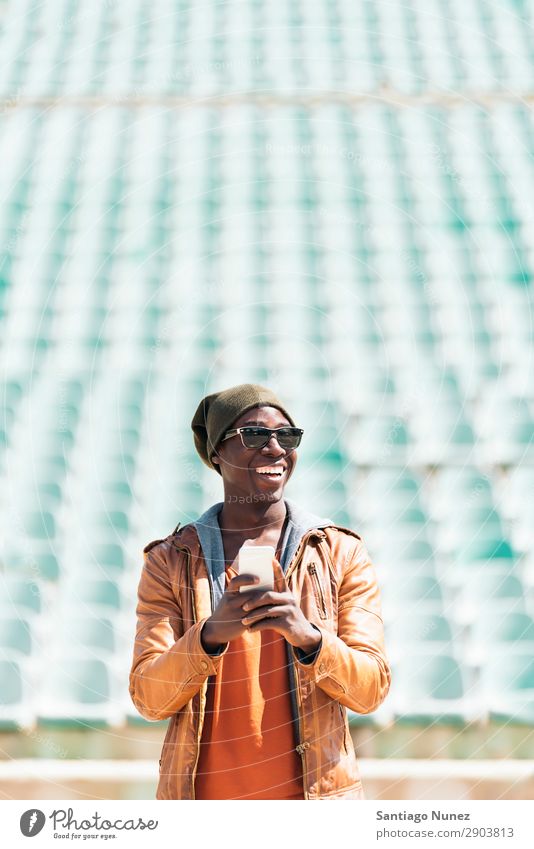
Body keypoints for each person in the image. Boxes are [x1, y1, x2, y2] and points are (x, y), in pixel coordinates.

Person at [129, 383, 390, 800]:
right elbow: (149, 697)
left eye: (286, 436)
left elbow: (370, 688)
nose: (274, 448)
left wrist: (309, 638)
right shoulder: (170, 559)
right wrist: (211, 635)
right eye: (254, 435)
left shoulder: (341, 552)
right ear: (216, 452)